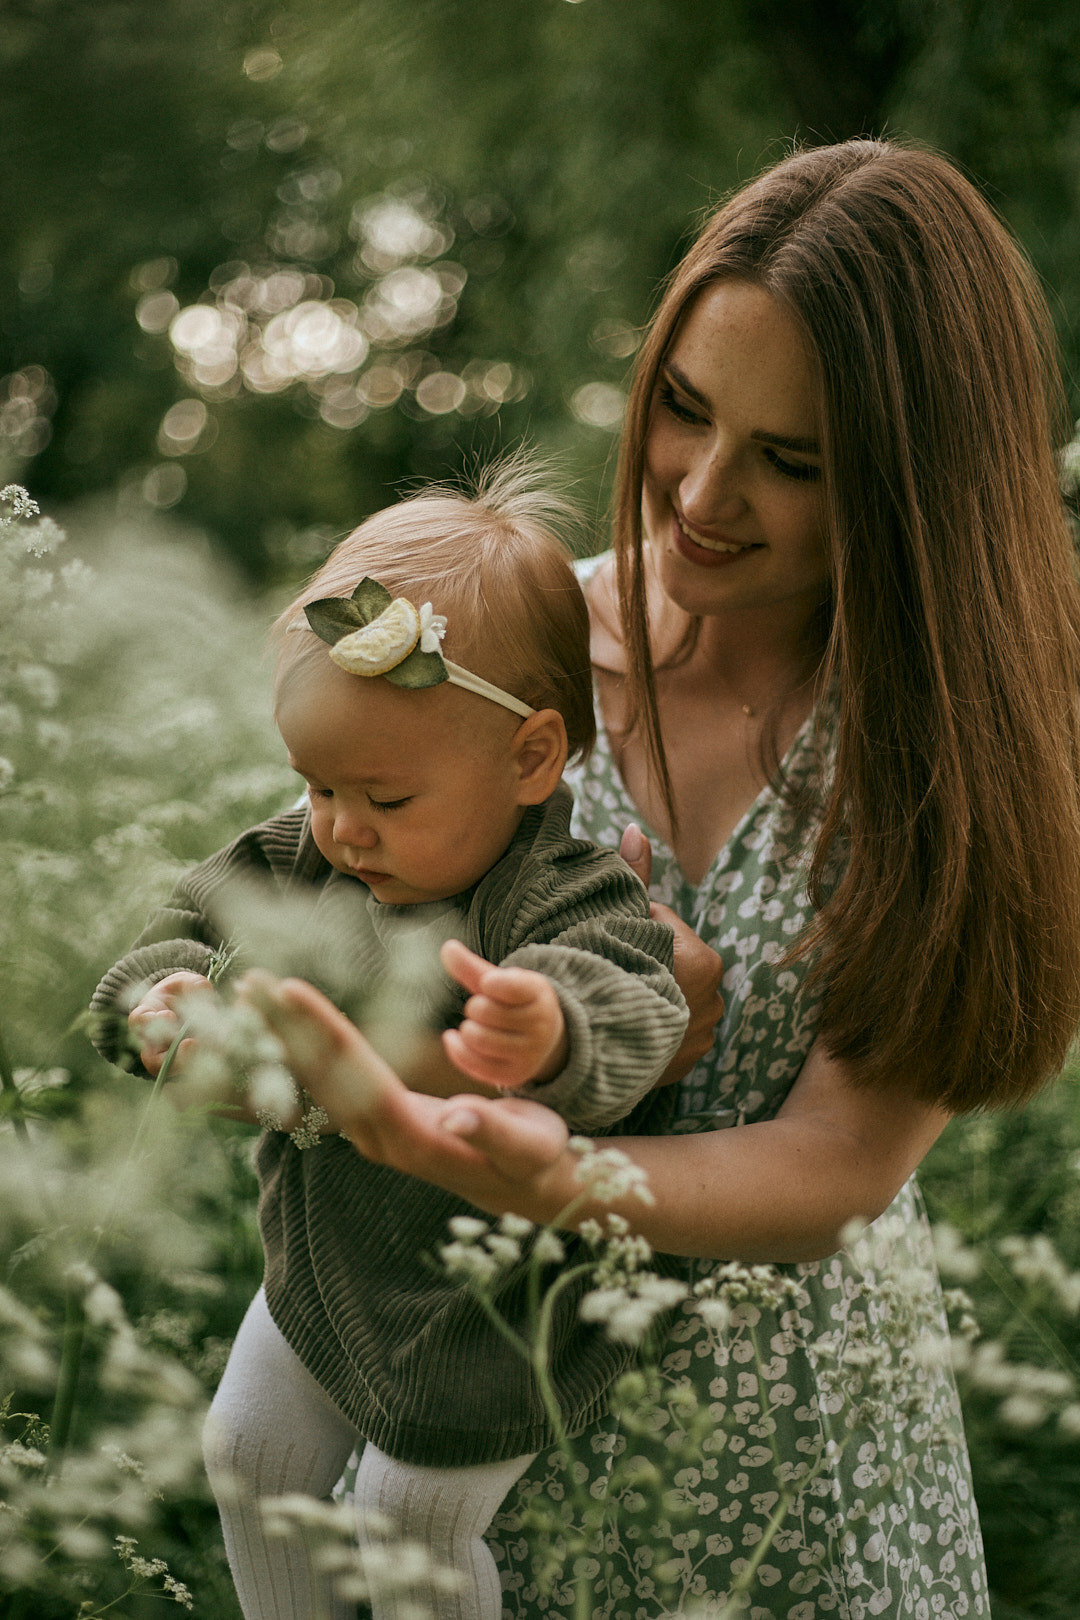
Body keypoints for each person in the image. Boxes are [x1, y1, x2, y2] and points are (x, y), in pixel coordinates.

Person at [244, 138, 1080, 1618]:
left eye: (794, 459)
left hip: (784, 1494)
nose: (702, 489)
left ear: (911, 483)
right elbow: (320, 914)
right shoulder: (499, 661)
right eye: (685, 408)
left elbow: (843, 1165)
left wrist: (566, 1176)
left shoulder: (950, 741)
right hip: (471, 1465)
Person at [90, 464, 695, 1620]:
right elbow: (170, 931)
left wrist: (550, 1025)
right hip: (329, 1255)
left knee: (407, 1515)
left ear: (530, 759)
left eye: (385, 796)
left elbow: (637, 1002)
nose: (340, 826)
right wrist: (156, 1001)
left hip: (493, 1297)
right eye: (314, 783)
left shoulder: (559, 890)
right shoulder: (299, 855)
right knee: (247, 1455)